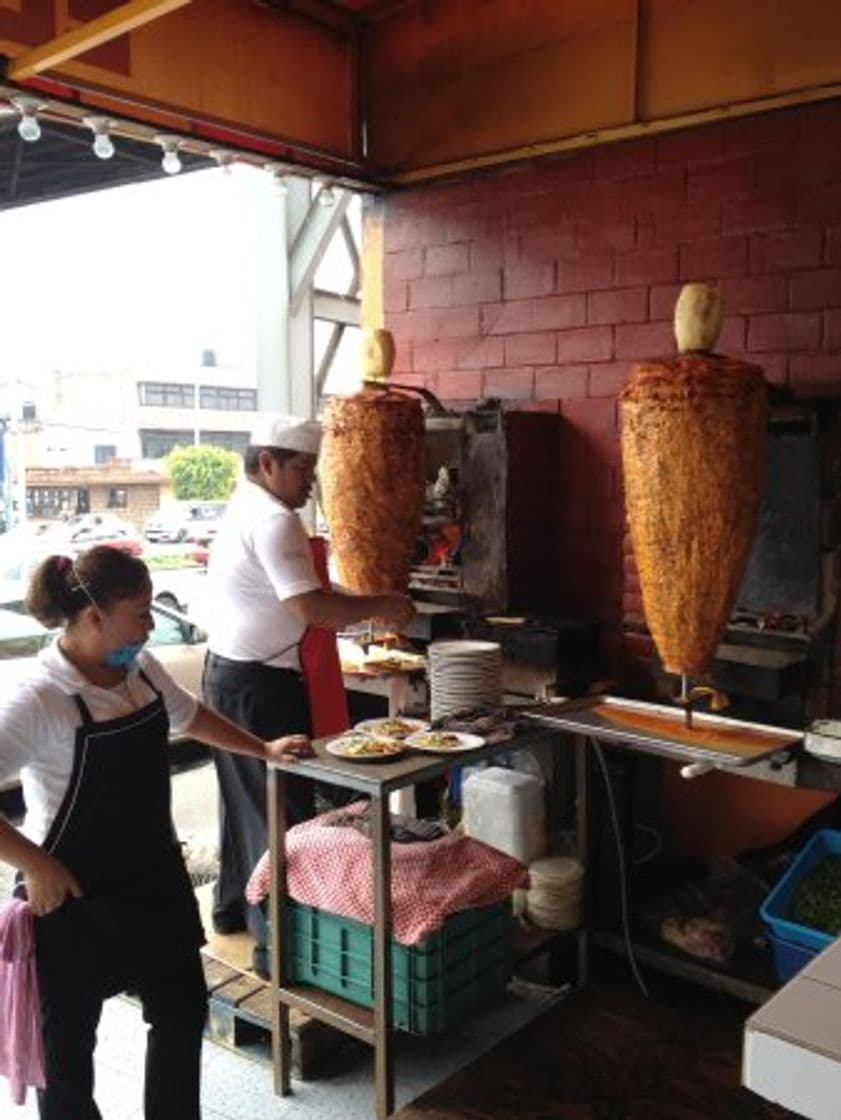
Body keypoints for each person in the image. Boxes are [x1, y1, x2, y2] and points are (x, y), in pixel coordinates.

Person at [0, 546, 312, 1120]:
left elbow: (189, 715)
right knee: (68, 1053)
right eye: (141, 612)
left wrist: (262, 748)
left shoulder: (140, 668)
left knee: (181, 1010)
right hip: (71, 895)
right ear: (95, 616)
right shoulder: (40, 697)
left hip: (151, 878)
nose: (150, 624)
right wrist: (35, 863)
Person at [203, 413, 415, 975]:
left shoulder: (247, 505)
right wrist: (381, 604)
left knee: (243, 803)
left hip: (229, 675)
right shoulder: (274, 519)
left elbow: (308, 590)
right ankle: (279, 949)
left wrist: (371, 594)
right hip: (260, 684)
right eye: (302, 468)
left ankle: (231, 908)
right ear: (267, 463)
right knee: (283, 815)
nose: (310, 481)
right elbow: (312, 608)